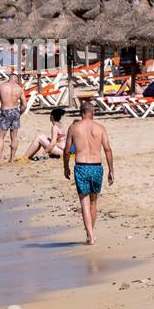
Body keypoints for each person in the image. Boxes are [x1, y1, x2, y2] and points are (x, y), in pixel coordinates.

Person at [62, 100, 114, 245]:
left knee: (84, 203)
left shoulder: (74, 127)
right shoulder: (100, 128)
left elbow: (66, 151)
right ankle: (90, 233)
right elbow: (108, 149)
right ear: (92, 112)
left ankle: (90, 235)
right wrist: (111, 170)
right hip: (97, 166)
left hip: (82, 166)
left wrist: (65, 167)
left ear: (81, 112)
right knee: (93, 202)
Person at [0, 70, 25, 163]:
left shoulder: (1, 87)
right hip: (15, 111)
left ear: (9, 78)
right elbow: (24, 105)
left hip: (5, 112)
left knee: (0, 137)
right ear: (17, 80)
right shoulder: (19, 89)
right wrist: (19, 113)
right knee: (14, 137)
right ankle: (12, 158)